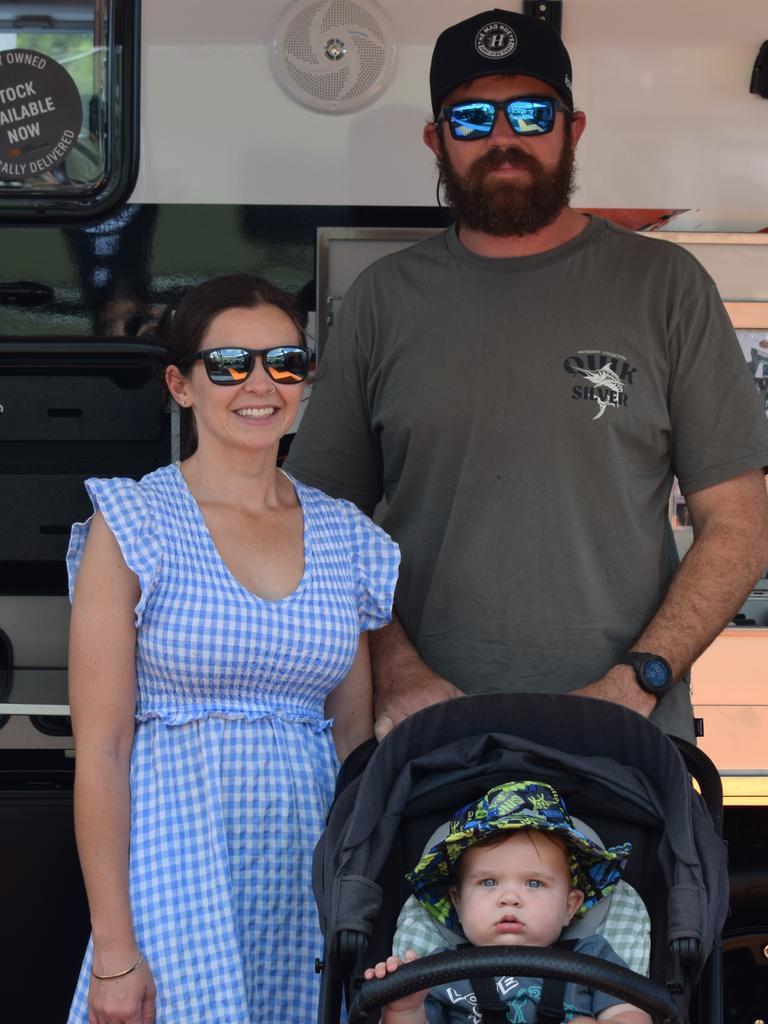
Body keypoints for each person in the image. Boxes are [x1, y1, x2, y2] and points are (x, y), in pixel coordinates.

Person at [285, 9, 768, 743]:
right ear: (436, 138)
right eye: (473, 116)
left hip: (623, 737)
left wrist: (639, 679)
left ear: (572, 130)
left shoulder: (665, 286)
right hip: (429, 736)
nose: (503, 138)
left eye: (532, 113)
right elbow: (320, 526)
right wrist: (398, 669)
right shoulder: (384, 299)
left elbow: (740, 523)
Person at [65, 274, 399, 1024]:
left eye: (285, 362)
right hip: (173, 865)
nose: (260, 384)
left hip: (305, 866)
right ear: (181, 385)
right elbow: (104, 750)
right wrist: (115, 949)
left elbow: (352, 745)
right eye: (228, 364)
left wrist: (364, 904)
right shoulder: (134, 521)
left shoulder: (344, 533)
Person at [365, 780, 650, 1024]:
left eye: (534, 883)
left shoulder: (594, 958)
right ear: (458, 902)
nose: (510, 898)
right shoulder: (437, 970)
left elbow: (633, 1014)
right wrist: (404, 1008)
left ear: (569, 906)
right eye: (488, 882)